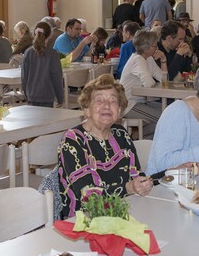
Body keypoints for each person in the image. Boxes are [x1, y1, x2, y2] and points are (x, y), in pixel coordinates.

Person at [57, 74, 152, 218]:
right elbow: (88, 197)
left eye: (113, 101)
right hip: (83, 220)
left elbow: (136, 175)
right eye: (99, 100)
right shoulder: (73, 140)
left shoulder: (121, 134)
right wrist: (129, 188)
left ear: (119, 110)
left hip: (123, 211)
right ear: (86, 110)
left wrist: (144, 184)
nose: (107, 106)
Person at [118, 30, 166, 133]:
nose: (157, 48)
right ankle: (139, 137)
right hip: (129, 105)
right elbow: (148, 83)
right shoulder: (137, 60)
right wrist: (153, 80)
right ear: (146, 48)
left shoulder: (148, 59)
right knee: (164, 118)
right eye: (154, 46)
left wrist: (163, 59)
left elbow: (164, 79)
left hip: (141, 102)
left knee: (168, 112)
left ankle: (138, 136)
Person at [21, 21, 64, 107]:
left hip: (31, 96)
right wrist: (60, 98)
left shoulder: (28, 52)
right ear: (50, 35)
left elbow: (24, 77)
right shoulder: (53, 54)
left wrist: (27, 94)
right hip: (47, 96)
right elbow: (57, 78)